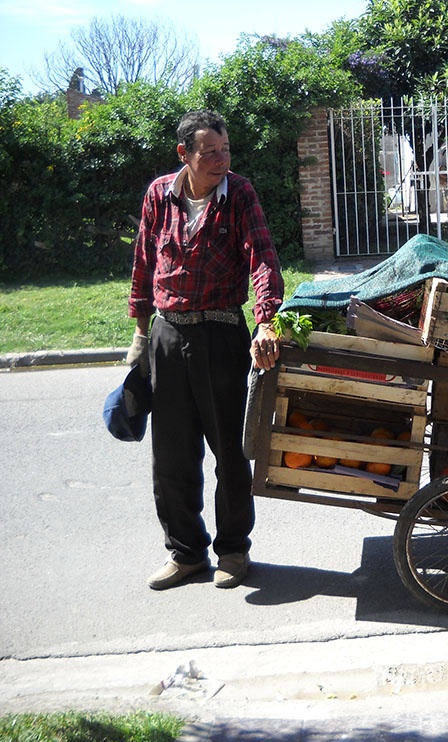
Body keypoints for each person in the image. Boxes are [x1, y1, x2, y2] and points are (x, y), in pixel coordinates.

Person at [127, 110, 284, 591]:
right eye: (209, 152)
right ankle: (186, 553)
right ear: (185, 155)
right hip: (168, 336)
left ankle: (233, 550)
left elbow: (262, 259)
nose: (220, 160)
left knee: (231, 452)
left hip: (221, 334)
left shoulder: (239, 194)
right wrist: (139, 331)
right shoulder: (160, 193)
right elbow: (144, 259)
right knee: (171, 456)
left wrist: (266, 322)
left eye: (225, 150)